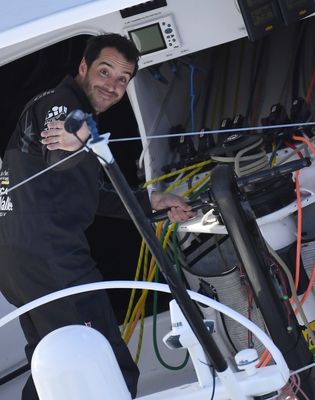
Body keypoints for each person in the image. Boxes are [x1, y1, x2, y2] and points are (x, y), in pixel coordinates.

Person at [0, 33, 195, 399]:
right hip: (51, 260)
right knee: (104, 359)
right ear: (83, 67)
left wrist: (152, 202)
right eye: (105, 71)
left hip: (18, 262)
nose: (112, 85)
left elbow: (85, 193)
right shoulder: (63, 105)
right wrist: (77, 139)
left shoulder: (61, 107)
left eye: (123, 79)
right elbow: (62, 154)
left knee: (53, 364)